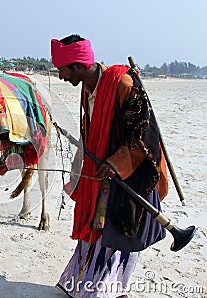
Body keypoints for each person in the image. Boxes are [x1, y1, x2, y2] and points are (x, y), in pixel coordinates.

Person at [51, 34, 169, 297]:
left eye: (62, 71)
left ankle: (108, 289)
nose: (60, 77)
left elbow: (145, 135)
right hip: (103, 173)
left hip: (132, 173)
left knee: (119, 234)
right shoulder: (87, 88)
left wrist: (117, 164)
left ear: (78, 66)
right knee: (96, 231)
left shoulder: (123, 83)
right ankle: (84, 283)